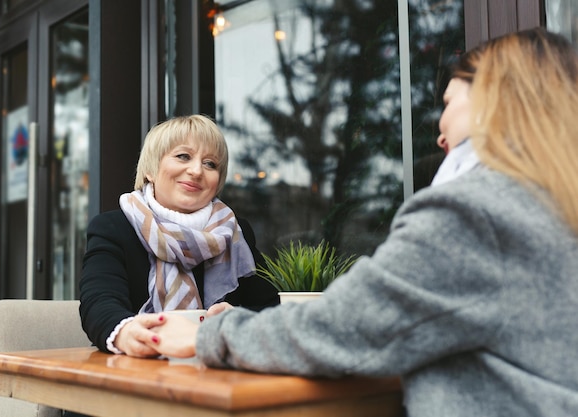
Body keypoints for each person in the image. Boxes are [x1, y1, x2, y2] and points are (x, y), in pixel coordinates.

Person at [150, 28, 578, 416]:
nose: (440, 133)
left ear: (492, 100)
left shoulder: (476, 211)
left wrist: (209, 336)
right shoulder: (554, 206)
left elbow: (348, 327)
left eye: (448, 104)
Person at [78, 114, 279, 358]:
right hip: (136, 368)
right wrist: (128, 333)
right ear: (151, 169)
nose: (196, 171)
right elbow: (98, 303)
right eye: (183, 156)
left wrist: (238, 319)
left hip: (216, 373)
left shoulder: (236, 233)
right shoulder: (114, 227)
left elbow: (271, 309)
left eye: (210, 164)